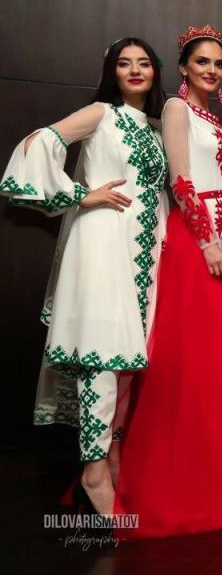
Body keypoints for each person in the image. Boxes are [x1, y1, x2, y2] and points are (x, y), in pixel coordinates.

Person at [114, 25, 222, 537]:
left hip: (221, 236)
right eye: (202, 62)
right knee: (192, 358)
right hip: (194, 238)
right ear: (184, 68)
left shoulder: (214, 119)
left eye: (218, 64)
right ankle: (179, 483)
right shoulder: (176, 109)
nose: (212, 71)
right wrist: (208, 241)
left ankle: (216, 478)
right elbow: (180, 179)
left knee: (218, 360)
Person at [0, 38, 167, 515]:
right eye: (123, 63)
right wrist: (80, 195)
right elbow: (38, 143)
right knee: (104, 353)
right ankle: (94, 472)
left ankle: (112, 458)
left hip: (145, 250)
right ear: (111, 71)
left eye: (143, 63)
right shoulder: (101, 114)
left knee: (131, 361)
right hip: (102, 242)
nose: (134, 70)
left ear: (155, 72)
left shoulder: (156, 128)